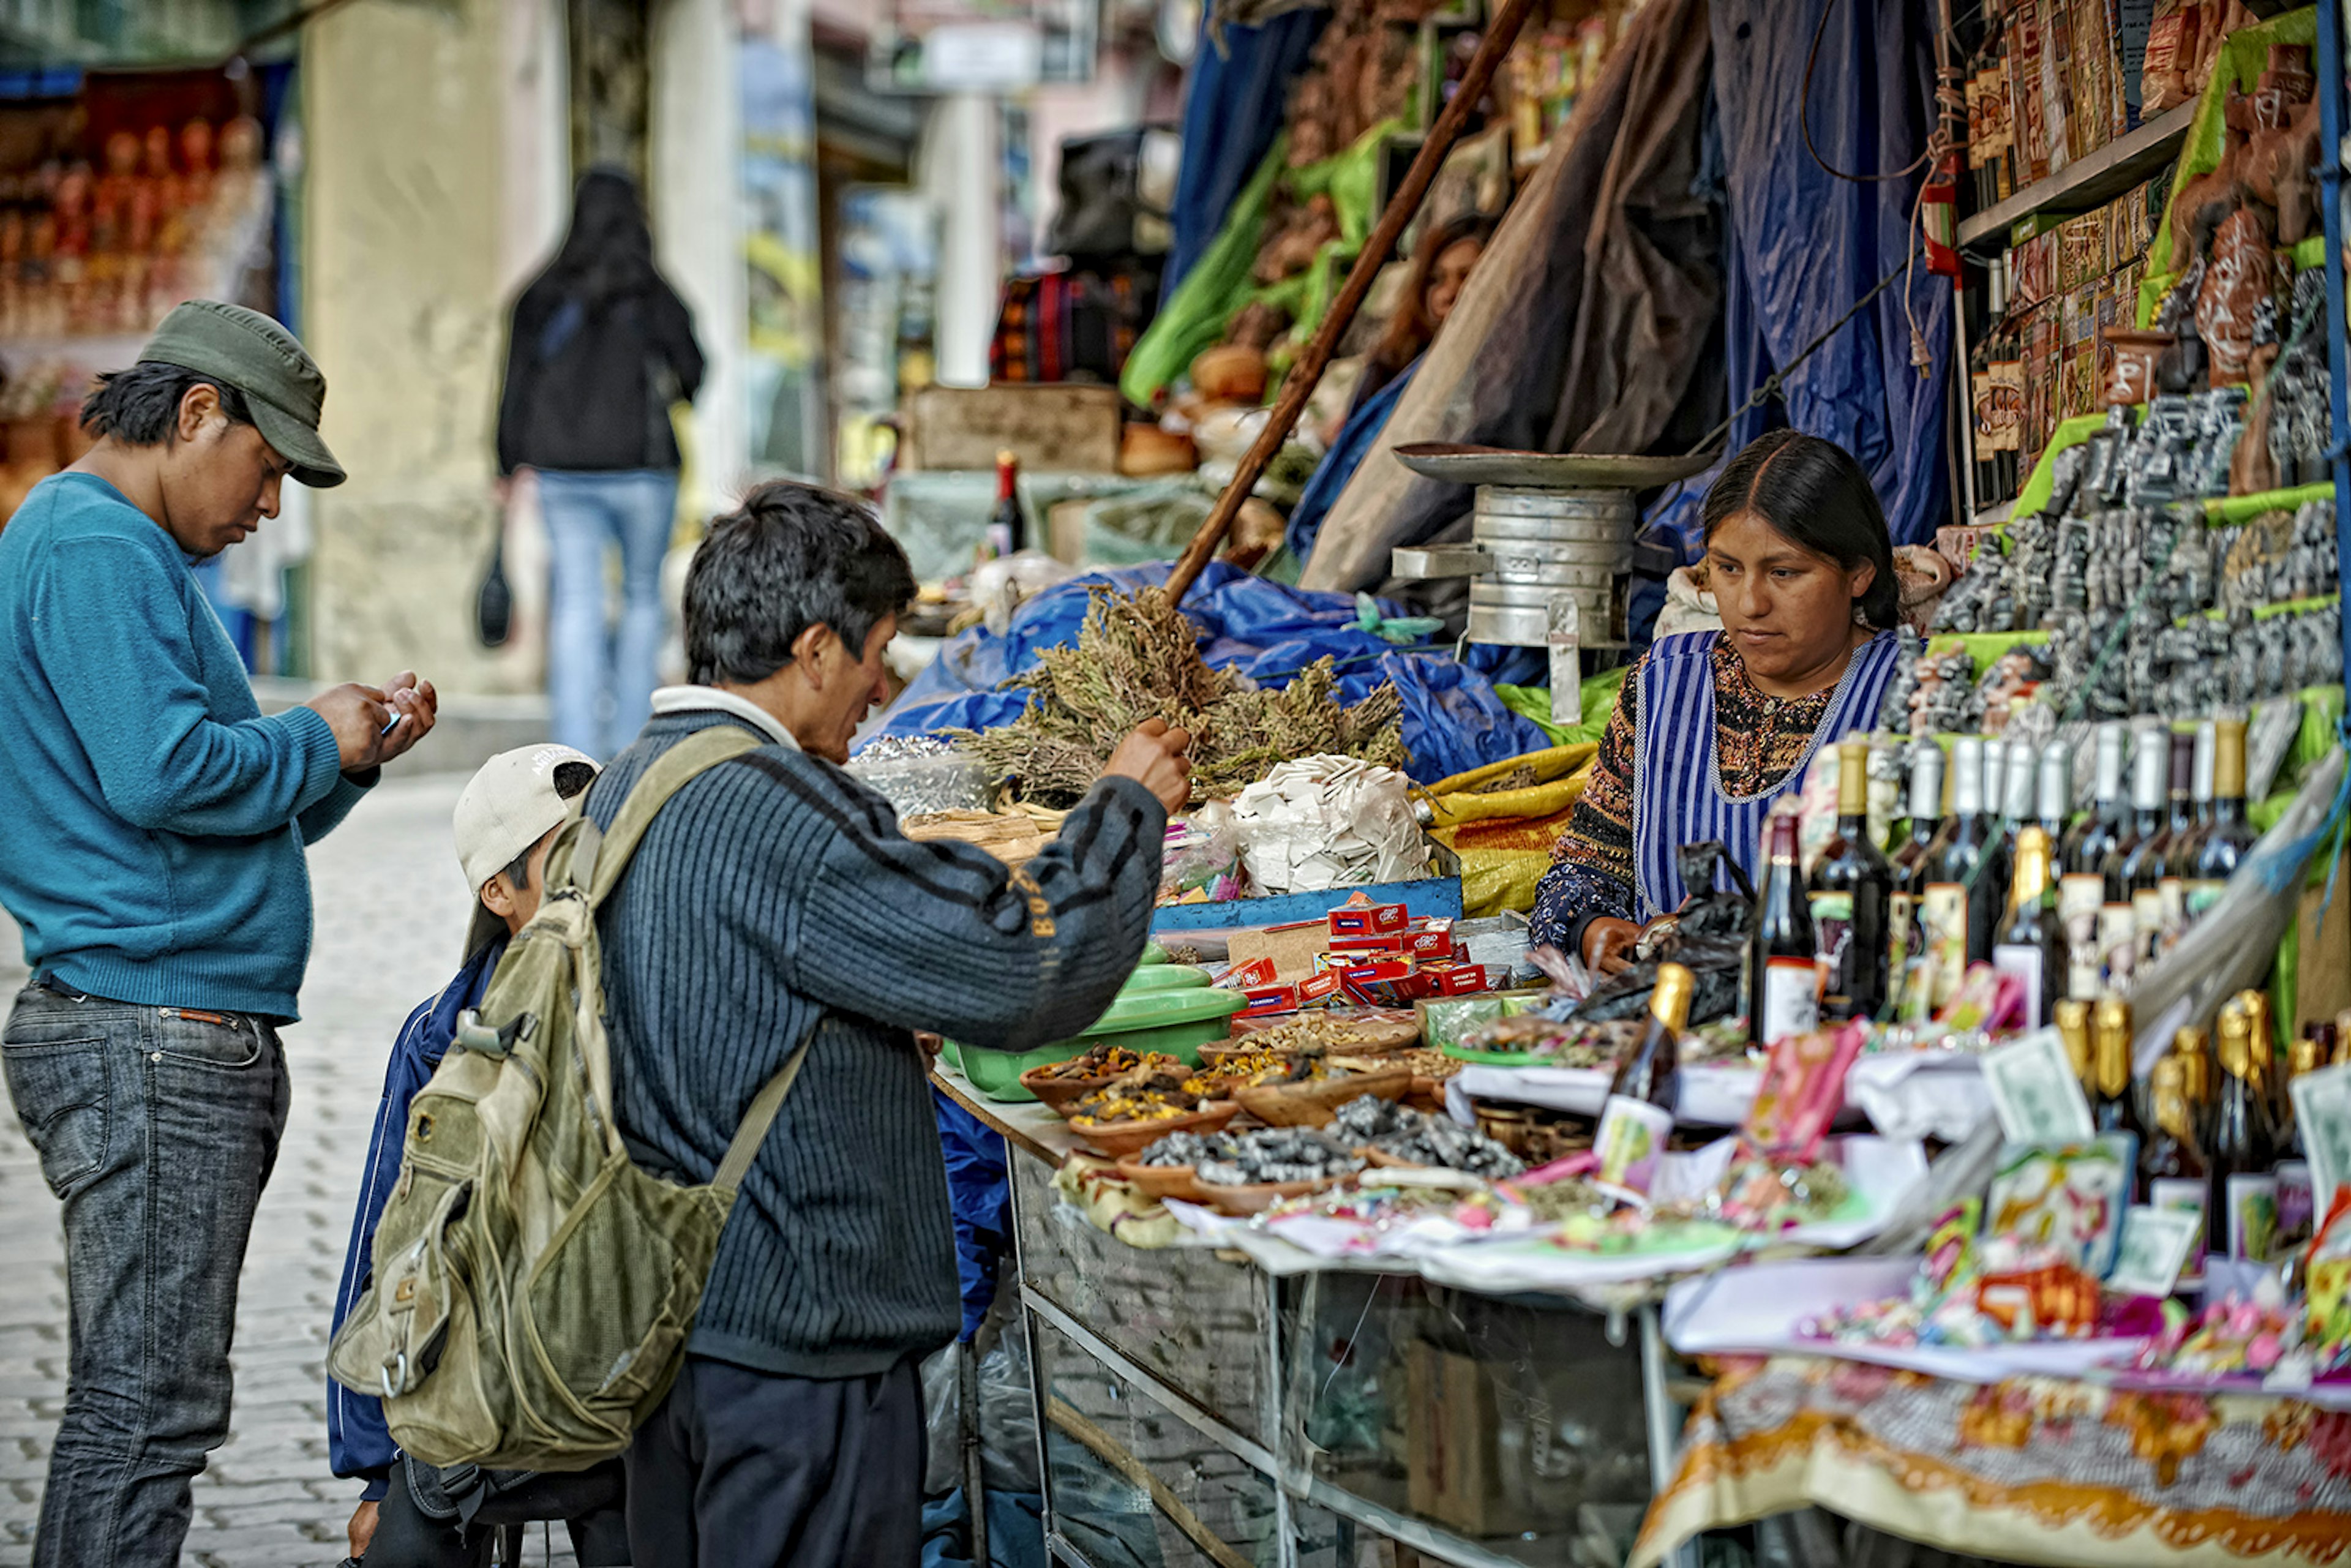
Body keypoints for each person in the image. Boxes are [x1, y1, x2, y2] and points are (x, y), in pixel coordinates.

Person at [587, 482, 1190, 1565]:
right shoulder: (780, 809)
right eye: (875, 651)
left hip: (663, 1334)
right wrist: (1122, 807)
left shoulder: (627, 785)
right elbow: (1025, 968)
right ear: (815, 648)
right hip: (794, 1348)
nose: (883, 683)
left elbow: (725, 1002)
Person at [0, 299, 439, 1568]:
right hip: (151, 1033)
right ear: (199, 414)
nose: (269, 509)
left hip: (162, 1019)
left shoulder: (108, 547)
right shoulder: (95, 546)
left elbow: (195, 811)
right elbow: (161, 773)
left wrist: (344, 756)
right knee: (144, 1412)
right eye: (268, 468)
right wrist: (314, 735)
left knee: (147, 1404)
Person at [328, 746, 629, 1568]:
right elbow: (380, 1243)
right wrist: (372, 1472)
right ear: (500, 892)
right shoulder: (445, 1035)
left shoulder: (658, 999)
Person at [1528, 430, 1908, 972]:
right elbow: (1580, 870)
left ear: (1859, 574)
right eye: (1727, 569)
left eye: (1784, 573)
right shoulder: (1662, 685)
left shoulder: (1913, 693)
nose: (1750, 603)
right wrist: (1592, 929)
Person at [495, 167, 706, 759]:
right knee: (642, 598)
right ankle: (633, 746)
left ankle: (574, 750)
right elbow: (695, 373)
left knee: (578, 601)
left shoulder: (541, 293)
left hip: (563, 473)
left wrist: (506, 460)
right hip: (644, 470)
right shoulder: (651, 291)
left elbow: (513, 385)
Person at [1288, 212, 1494, 565]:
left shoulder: (1495, 381)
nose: (1448, 294)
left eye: (1467, 277)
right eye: (1437, 279)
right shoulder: (1394, 367)